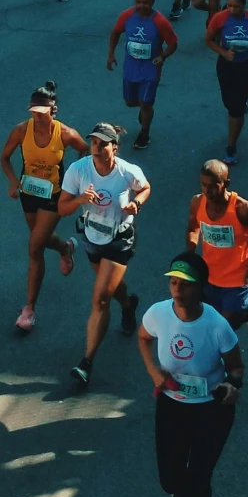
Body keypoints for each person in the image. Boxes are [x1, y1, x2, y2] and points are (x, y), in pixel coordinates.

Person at [138, 252, 243, 497]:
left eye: (184, 283)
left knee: (200, 477)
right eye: (173, 281)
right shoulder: (158, 314)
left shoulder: (217, 325)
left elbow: (236, 367)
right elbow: (143, 338)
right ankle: (181, 490)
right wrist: (155, 372)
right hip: (172, 406)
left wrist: (232, 388)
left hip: (211, 409)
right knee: (170, 481)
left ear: (201, 288)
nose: (176, 288)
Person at [58, 123, 149, 391]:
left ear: (114, 147)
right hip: (92, 236)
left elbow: (145, 187)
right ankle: (129, 303)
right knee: (109, 288)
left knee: (99, 298)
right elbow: (62, 208)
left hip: (120, 238)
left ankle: (86, 362)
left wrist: (137, 203)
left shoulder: (126, 171)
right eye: (94, 141)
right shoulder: (79, 170)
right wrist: (79, 200)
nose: (96, 146)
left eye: (103, 143)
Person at [0, 84, 87, 334]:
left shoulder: (66, 134)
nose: (37, 115)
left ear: (53, 109)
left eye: (42, 111)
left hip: (54, 196)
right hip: (29, 192)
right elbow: (4, 157)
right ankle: (65, 248)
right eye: (33, 110)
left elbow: (83, 151)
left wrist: (74, 180)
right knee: (42, 238)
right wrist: (13, 181)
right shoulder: (20, 131)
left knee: (34, 246)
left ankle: (29, 309)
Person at [185, 160, 248, 337]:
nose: (207, 191)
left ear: (226, 183)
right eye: (203, 185)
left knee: (224, 330)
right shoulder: (197, 203)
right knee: (208, 320)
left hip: (238, 279)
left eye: (213, 186)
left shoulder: (243, 209)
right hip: (209, 276)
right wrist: (190, 255)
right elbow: (193, 228)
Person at [202, 0, 248, 162]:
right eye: (230, 5)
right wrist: (224, 53)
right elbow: (209, 40)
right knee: (228, 102)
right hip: (227, 65)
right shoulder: (219, 18)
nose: (233, 10)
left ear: (244, 5)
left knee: (235, 109)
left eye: (237, 7)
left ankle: (231, 147)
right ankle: (240, 107)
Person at [106, 0, 178, 150]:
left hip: (150, 69)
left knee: (146, 103)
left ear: (152, 2)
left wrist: (163, 56)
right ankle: (144, 110)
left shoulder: (160, 21)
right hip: (131, 67)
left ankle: (144, 132)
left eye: (145, 2)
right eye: (138, 2)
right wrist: (111, 54)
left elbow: (173, 43)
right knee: (131, 102)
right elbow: (116, 32)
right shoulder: (127, 16)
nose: (141, 6)